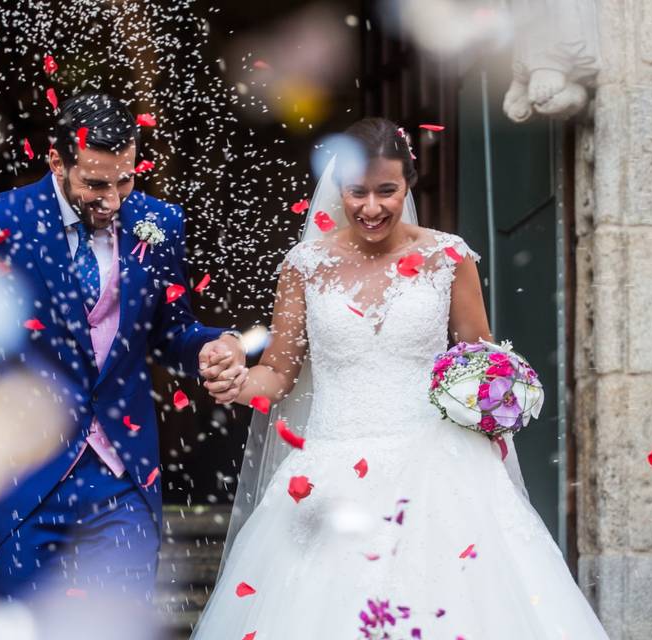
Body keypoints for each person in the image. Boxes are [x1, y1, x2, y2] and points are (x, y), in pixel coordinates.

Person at [192, 117, 610, 639]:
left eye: (386, 191)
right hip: (331, 464)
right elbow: (277, 373)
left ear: (408, 183)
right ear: (338, 190)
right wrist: (238, 382)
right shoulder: (305, 265)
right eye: (357, 192)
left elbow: (479, 359)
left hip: (442, 470)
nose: (371, 207)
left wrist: (501, 393)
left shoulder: (448, 257)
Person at [0, 92, 244, 625]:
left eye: (126, 180)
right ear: (56, 161)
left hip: (122, 480)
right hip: (18, 480)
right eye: (95, 183)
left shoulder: (159, 222)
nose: (113, 199)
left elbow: (170, 333)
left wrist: (212, 343)